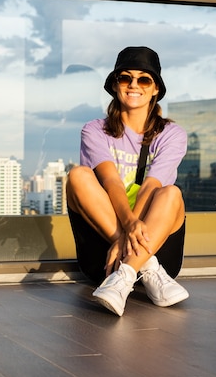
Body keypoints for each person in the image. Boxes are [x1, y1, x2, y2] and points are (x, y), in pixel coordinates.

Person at [66, 46, 189, 316]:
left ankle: (128, 272)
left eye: (144, 79)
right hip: (103, 253)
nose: (134, 85)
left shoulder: (172, 134)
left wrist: (129, 237)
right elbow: (111, 181)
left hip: (155, 245)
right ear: (115, 85)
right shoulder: (94, 130)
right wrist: (128, 228)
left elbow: (151, 185)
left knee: (171, 193)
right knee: (78, 176)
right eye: (125, 78)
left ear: (155, 89)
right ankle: (144, 267)